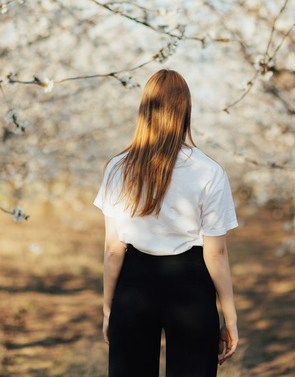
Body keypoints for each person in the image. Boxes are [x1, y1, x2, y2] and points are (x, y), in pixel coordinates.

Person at [94, 69, 239, 376]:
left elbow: (112, 248)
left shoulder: (117, 168)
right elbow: (216, 254)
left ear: (145, 109)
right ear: (185, 110)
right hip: (191, 283)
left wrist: (109, 309)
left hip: (134, 282)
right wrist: (230, 317)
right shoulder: (209, 171)